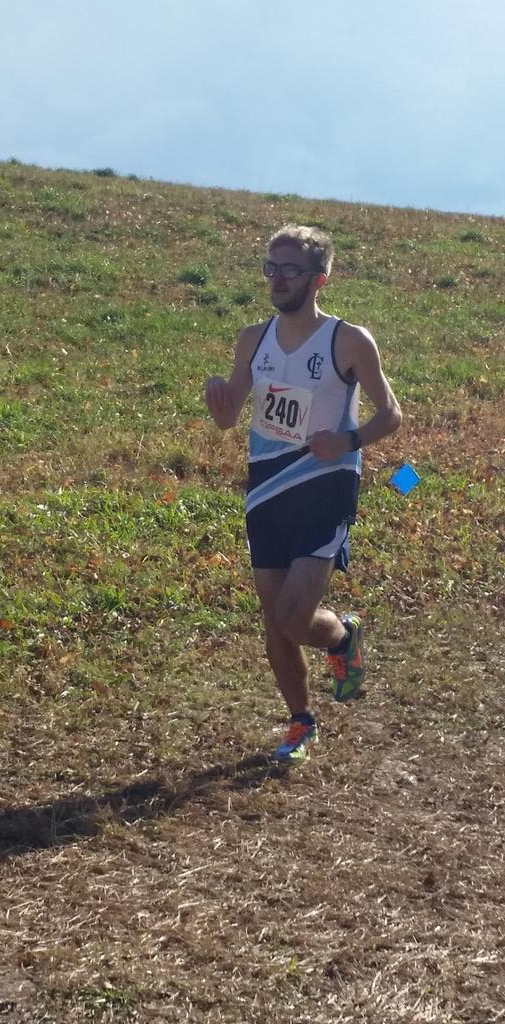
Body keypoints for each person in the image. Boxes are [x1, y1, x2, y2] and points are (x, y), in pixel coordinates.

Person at [205, 224, 402, 761]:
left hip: (326, 484)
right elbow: (232, 415)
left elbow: (392, 414)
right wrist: (223, 409)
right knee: (276, 622)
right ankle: (301, 723)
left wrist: (347, 439)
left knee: (295, 616)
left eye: (290, 268)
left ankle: (342, 639)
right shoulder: (253, 338)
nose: (278, 278)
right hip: (266, 486)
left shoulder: (349, 340)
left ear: (320, 279)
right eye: (272, 267)